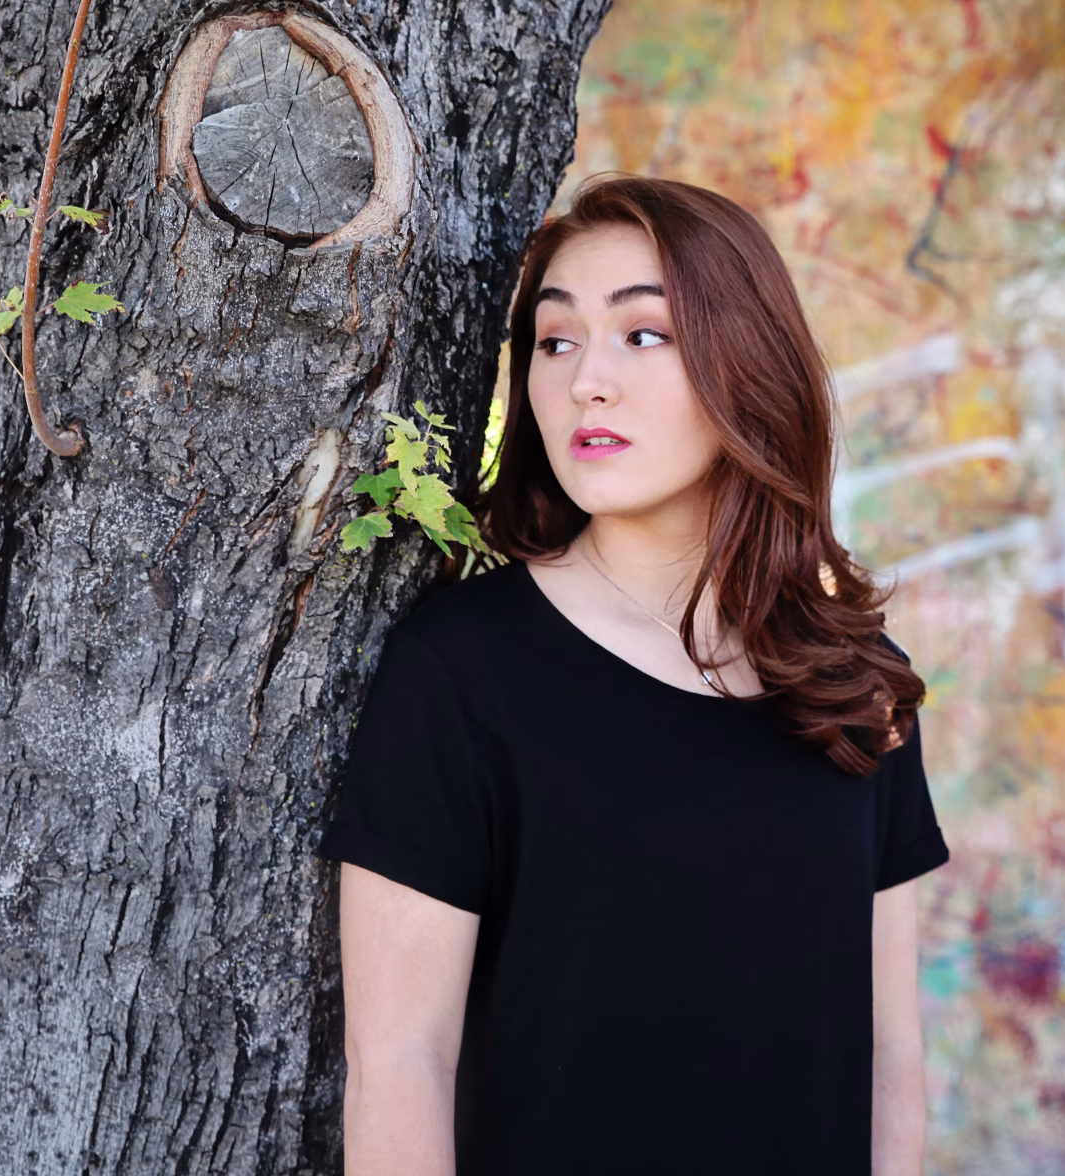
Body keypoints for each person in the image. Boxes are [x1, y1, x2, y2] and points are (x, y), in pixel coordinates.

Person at [319, 174, 951, 1175]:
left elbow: (891, 1056)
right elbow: (399, 1064)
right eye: (555, 341)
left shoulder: (855, 684)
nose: (587, 381)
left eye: (642, 333)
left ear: (750, 360)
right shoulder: (464, 670)